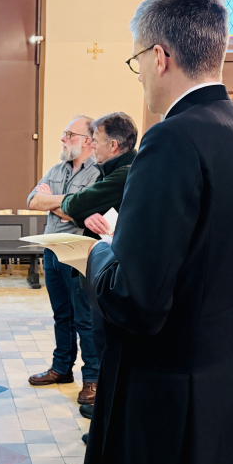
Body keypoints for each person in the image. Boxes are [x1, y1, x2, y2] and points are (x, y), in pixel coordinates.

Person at [79, 0, 233, 464]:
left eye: (137, 61)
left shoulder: (171, 138)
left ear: (160, 56)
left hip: (167, 393)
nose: (142, 75)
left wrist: (101, 251)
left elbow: (136, 300)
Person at [58, 112, 138, 418]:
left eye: (97, 140)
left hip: (114, 274)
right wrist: (82, 213)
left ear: (114, 145)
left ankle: (106, 415)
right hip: (105, 270)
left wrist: (75, 207)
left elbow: (74, 203)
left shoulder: (123, 173)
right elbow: (84, 209)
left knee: (103, 342)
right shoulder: (111, 169)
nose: (93, 145)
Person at [26, 116, 100, 405]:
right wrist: (68, 200)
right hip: (51, 250)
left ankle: (92, 378)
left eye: (69, 134)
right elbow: (32, 200)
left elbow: (86, 214)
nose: (63, 138)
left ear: (87, 141)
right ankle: (61, 368)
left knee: (85, 318)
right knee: (61, 315)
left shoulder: (97, 173)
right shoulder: (57, 169)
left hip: (78, 252)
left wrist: (53, 200)